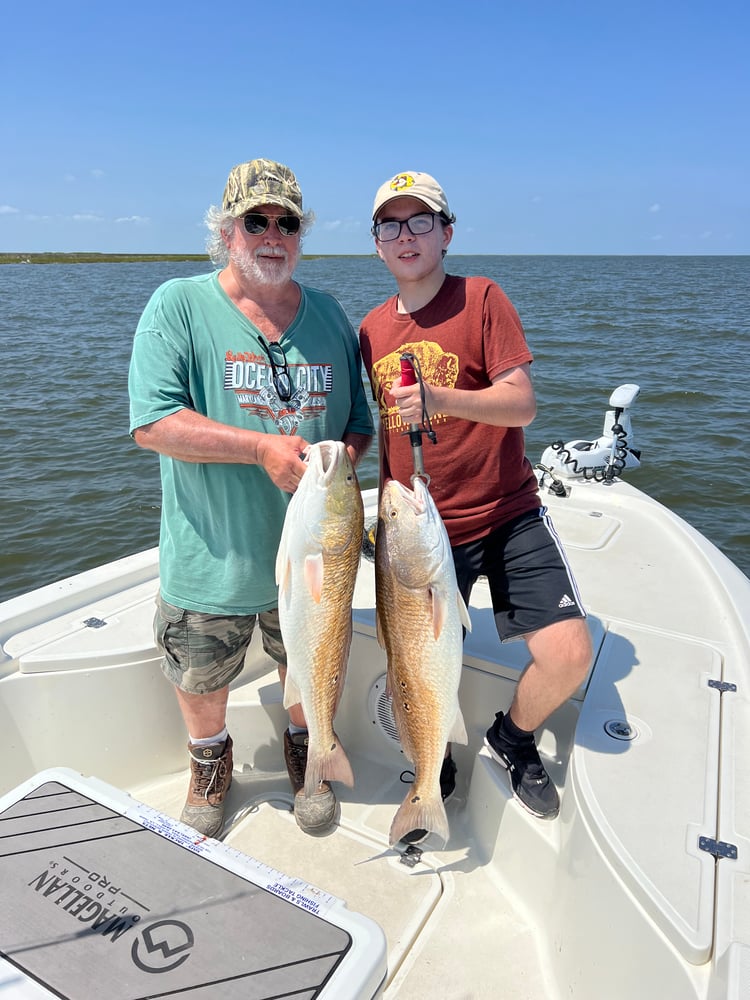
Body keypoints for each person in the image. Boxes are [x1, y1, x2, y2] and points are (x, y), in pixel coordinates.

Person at [128, 158, 373, 839]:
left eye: (286, 222)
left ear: (301, 233)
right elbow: (152, 422)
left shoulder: (329, 315)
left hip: (316, 556)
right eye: (254, 220)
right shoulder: (177, 304)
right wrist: (260, 449)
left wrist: (337, 466)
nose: (272, 233)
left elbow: (359, 426)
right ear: (226, 231)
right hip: (214, 552)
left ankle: (310, 752)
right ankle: (210, 764)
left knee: (311, 662)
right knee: (201, 675)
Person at [359, 171, 592, 840]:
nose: (405, 236)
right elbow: (368, 431)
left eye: (420, 221)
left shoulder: (483, 299)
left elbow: (521, 402)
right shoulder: (370, 330)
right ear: (377, 244)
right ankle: (431, 769)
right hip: (413, 534)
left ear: (446, 232)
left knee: (569, 654)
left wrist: (443, 400)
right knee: (412, 669)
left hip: (506, 512)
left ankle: (512, 738)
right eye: (391, 225)